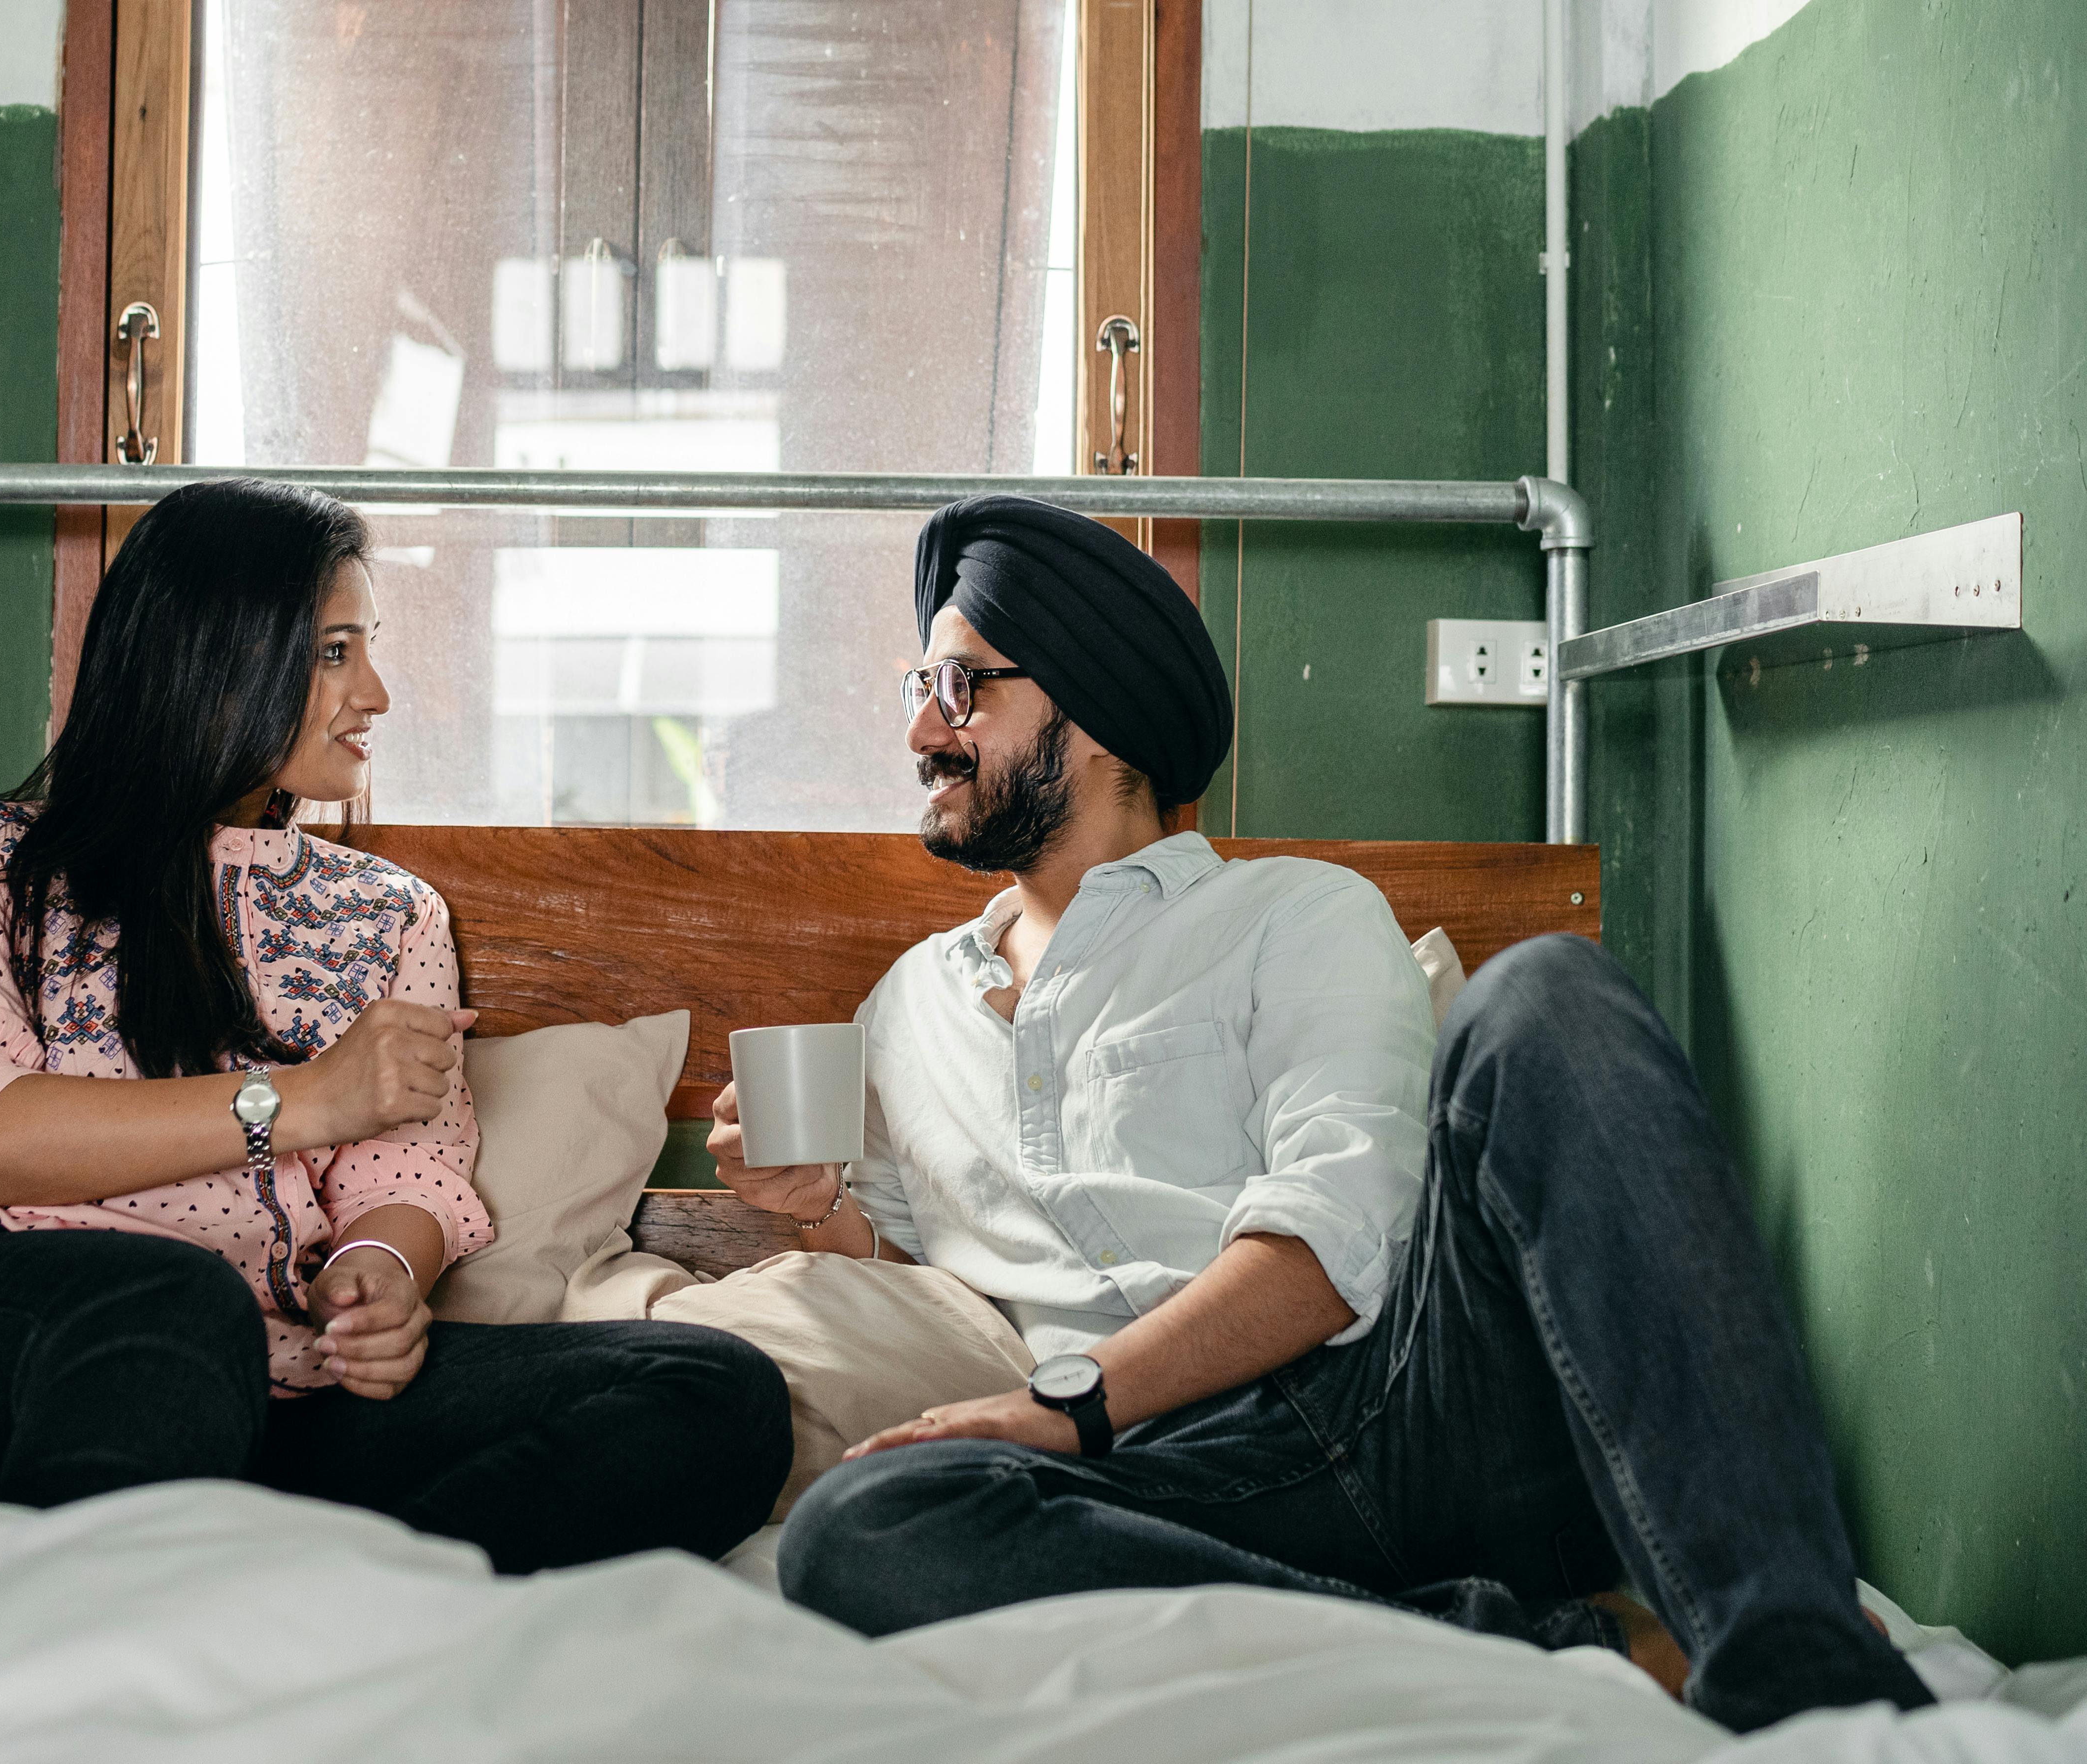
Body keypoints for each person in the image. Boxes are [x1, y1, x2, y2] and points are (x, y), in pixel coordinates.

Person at [706, 495, 1932, 1733]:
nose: (921, 727)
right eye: (918, 683)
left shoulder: (1294, 915)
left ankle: (1790, 1649)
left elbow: (1334, 1246)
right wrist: (821, 1217)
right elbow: (939, 1274)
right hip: (1167, 1499)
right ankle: (1556, 1647)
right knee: (855, 1531)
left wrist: (1068, 1405)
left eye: (962, 687)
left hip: (1405, 1414)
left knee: (1543, 993)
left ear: (1093, 707)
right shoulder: (904, 1009)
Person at [0, 479, 788, 1573]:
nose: (378, 693)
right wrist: (297, 1101)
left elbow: (412, 1173)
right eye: (335, 652)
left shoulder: (390, 913)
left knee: (711, 1388)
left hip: (263, 1376)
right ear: (216, 654)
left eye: (367, 648)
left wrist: (381, 1271)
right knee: (171, 1304)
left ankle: (307, 1612)